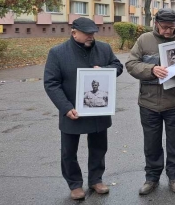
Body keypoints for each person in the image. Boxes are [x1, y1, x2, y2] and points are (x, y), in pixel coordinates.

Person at [43, 17, 123, 200]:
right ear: (74, 33)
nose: (91, 37)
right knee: (69, 151)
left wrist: (104, 70)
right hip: (72, 110)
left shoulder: (104, 48)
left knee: (99, 148)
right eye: (87, 33)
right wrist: (65, 107)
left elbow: (118, 66)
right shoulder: (57, 53)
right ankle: (75, 184)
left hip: (98, 110)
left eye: (93, 33)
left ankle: (96, 179)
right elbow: (51, 83)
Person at [126, 8, 175, 195]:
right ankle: (151, 178)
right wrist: (151, 70)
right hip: (148, 103)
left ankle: (174, 177)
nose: (168, 31)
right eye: (164, 27)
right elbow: (131, 64)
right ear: (156, 23)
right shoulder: (144, 40)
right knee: (151, 143)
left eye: (172, 27)